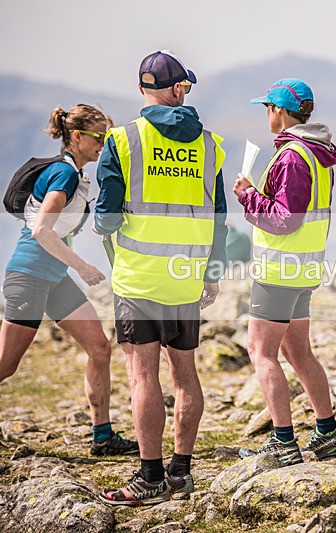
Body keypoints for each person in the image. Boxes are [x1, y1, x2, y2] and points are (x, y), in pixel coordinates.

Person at [95, 50, 227, 506]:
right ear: (179, 90)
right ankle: (181, 471)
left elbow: (107, 216)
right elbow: (219, 217)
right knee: (185, 375)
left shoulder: (123, 140)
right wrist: (212, 271)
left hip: (138, 279)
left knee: (142, 376)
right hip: (186, 277)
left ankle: (149, 477)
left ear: (142, 92)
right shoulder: (210, 145)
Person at [0, 104, 138, 458]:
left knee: (100, 348)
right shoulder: (65, 175)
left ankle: (103, 436)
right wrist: (82, 266)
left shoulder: (77, 174)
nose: (103, 144)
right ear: (76, 137)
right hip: (29, 274)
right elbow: (42, 231)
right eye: (99, 137)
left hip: (53, 277)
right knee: (6, 364)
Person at [233, 78, 336, 465]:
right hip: (304, 267)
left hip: (277, 270)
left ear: (279, 111)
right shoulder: (318, 154)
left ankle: (283, 441)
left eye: (267, 107)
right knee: (299, 351)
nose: (266, 114)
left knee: (260, 351)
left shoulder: (291, 156)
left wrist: (248, 194)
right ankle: (327, 431)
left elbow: (285, 219)